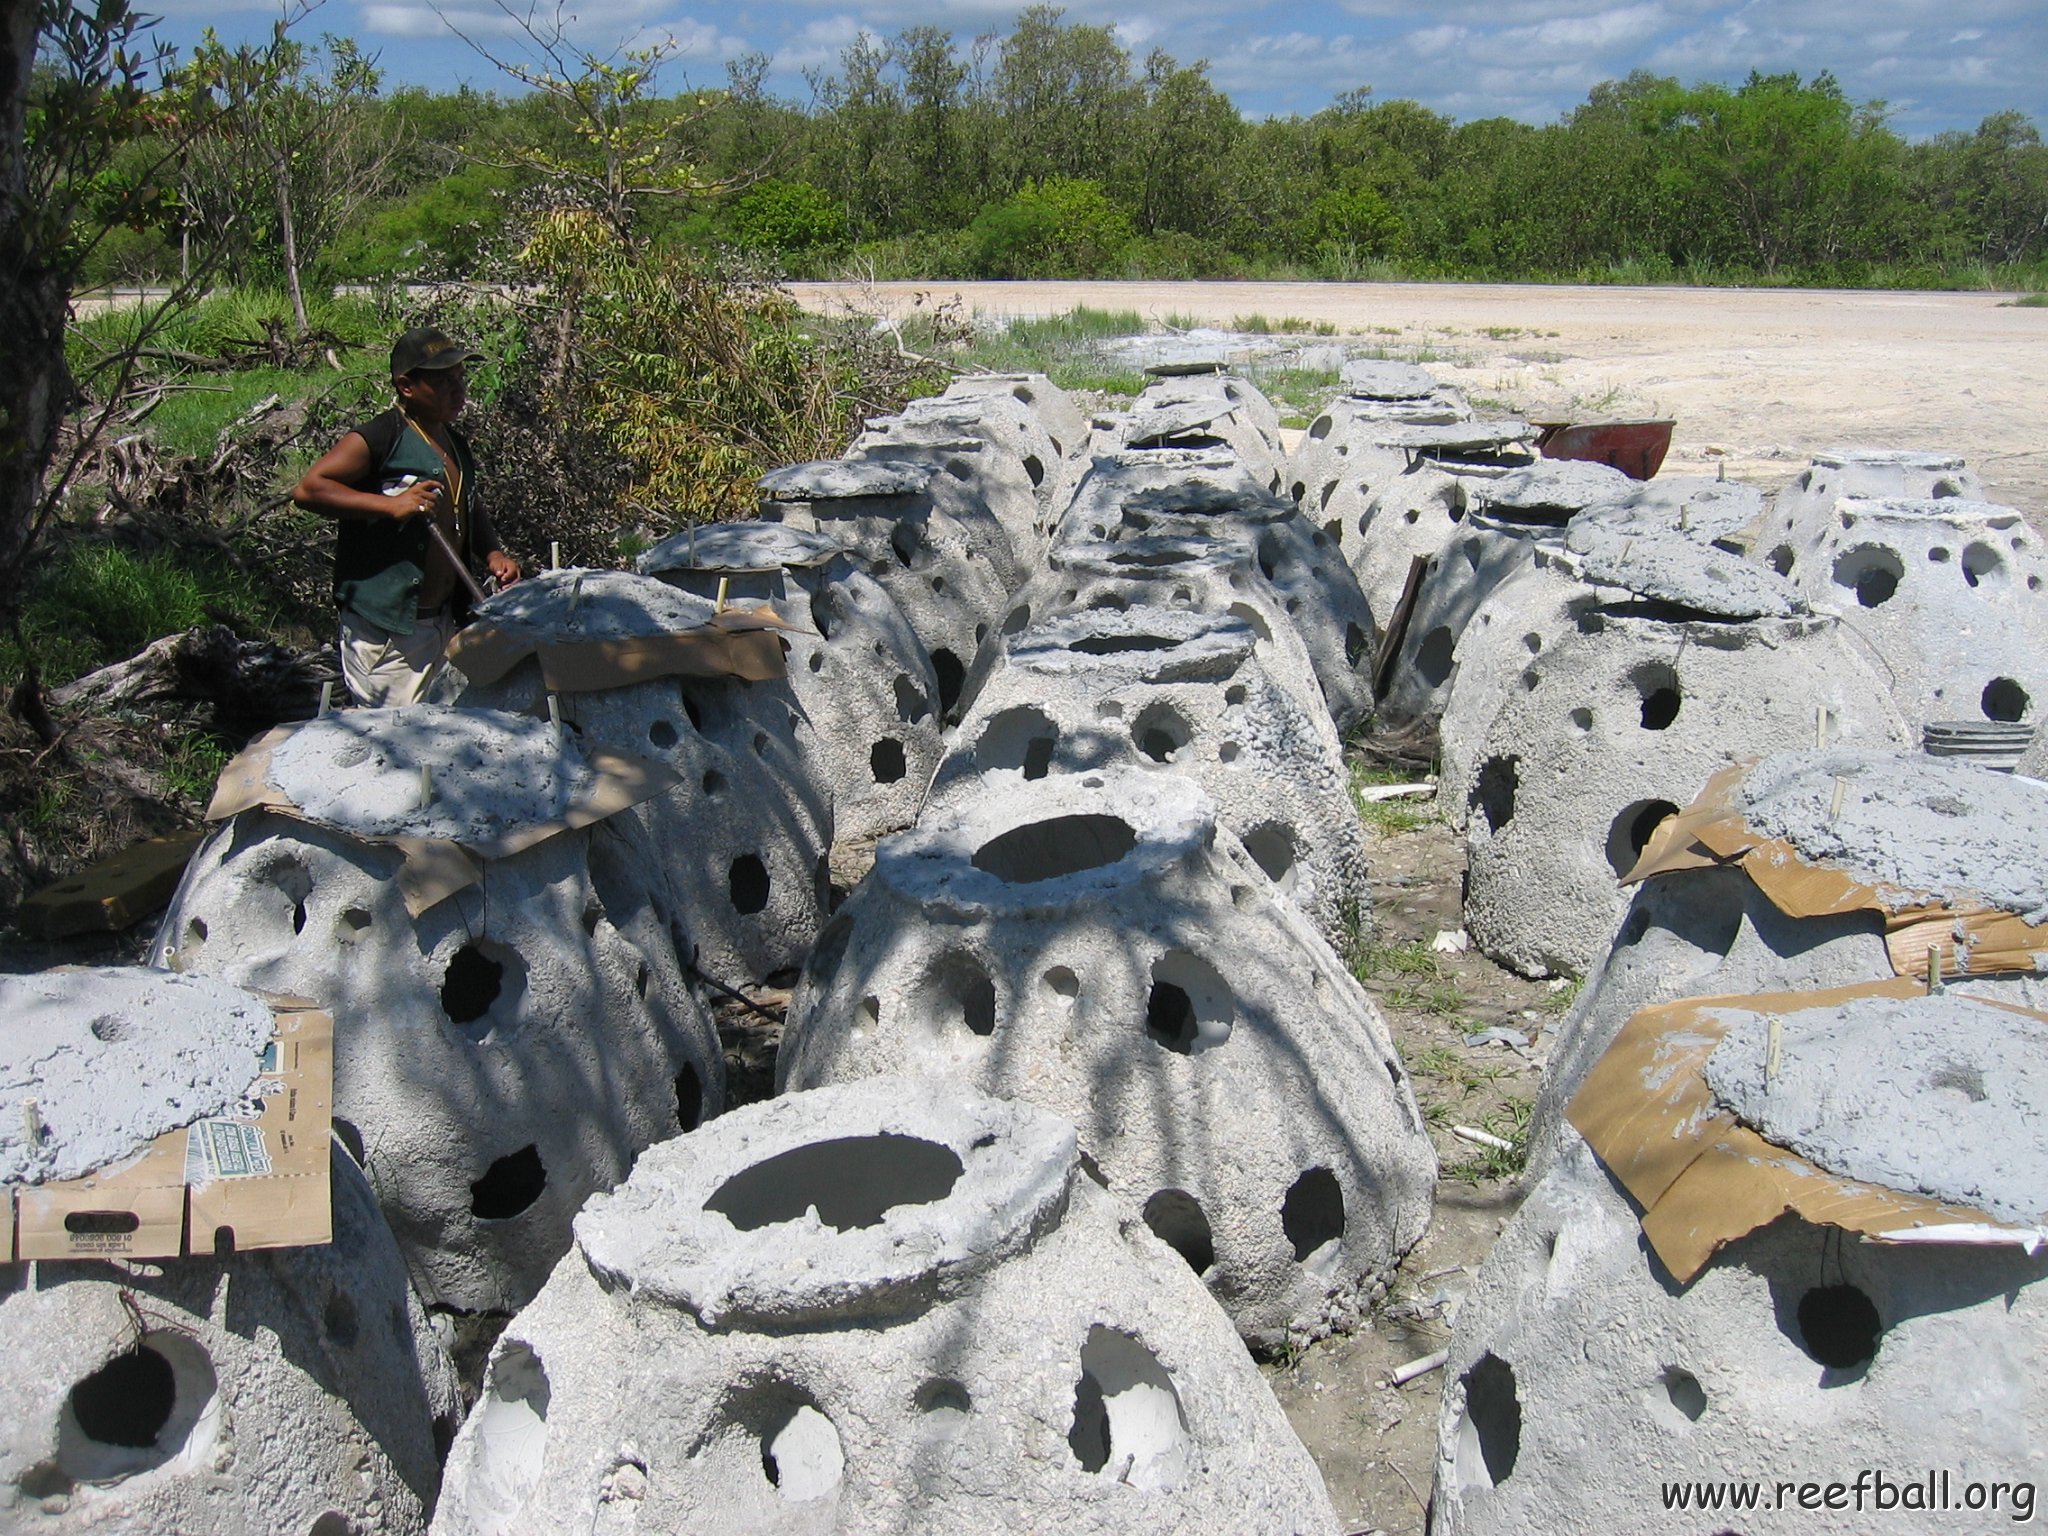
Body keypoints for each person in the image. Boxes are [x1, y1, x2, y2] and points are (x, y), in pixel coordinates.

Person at [294, 326, 523, 706]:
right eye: (443, 381)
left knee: (442, 740)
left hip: (442, 624)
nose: (458, 389)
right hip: (388, 634)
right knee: (398, 744)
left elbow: (467, 502)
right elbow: (309, 489)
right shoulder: (380, 438)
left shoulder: (451, 440)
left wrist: (493, 553)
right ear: (406, 386)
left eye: (460, 378)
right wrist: (390, 505)